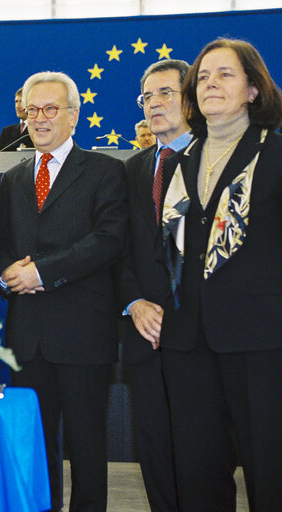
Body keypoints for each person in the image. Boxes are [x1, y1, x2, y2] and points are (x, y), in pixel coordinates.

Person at [0, 71, 127, 512]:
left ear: (74, 115)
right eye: (32, 110)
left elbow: (107, 240)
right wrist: (7, 271)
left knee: (88, 449)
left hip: (84, 333)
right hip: (27, 335)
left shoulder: (106, 171)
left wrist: (42, 273)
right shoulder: (11, 179)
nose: (40, 119)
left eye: (51, 109)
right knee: (37, 448)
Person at [159, 38, 282, 511]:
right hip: (187, 342)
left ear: (253, 89)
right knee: (197, 473)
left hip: (262, 342)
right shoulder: (179, 161)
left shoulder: (274, 156)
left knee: (269, 468)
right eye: (203, 77)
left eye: (225, 75)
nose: (211, 83)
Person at [116, 58, 191, 512]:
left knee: (202, 450)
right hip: (142, 333)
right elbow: (119, 248)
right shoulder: (132, 168)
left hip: (198, 337)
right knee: (152, 445)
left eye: (167, 93)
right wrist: (134, 302)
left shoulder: (213, 158)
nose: (155, 104)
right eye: (148, 97)